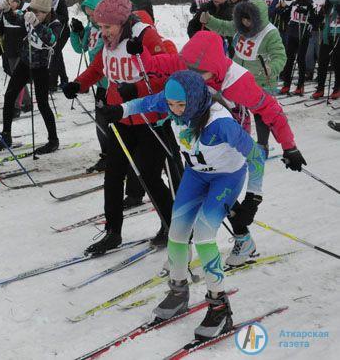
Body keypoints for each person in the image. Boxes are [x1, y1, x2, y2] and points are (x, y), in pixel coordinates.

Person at [99, 70, 265, 340]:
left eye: (181, 105)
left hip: (226, 176)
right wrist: (119, 110)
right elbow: (145, 103)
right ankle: (178, 292)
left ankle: (219, 305)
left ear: (196, 98)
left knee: (203, 235)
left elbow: (256, 155)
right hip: (197, 174)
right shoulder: (171, 103)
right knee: (176, 233)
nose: (176, 112)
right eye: (172, 105)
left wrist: (253, 198)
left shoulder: (220, 123)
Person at [134, 30, 307, 262]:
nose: (192, 77)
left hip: (230, 136)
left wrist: (289, 146)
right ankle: (238, 240)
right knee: (208, 188)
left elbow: (271, 110)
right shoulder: (189, 62)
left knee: (217, 188)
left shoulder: (239, 82)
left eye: (200, 73)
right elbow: (155, 64)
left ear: (216, 69)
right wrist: (138, 50)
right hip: (198, 132)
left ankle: (239, 240)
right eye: (189, 70)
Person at [61, 0, 172, 254]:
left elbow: (166, 73)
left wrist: (134, 90)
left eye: (107, 27)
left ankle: (172, 225)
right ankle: (113, 232)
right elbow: (99, 68)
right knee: (113, 175)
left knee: (148, 175)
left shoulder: (145, 36)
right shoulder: (109, 42)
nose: (104, 32)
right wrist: (78, 84)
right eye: (100, 26)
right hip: (119, 117)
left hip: (149, 118)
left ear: (122, 22)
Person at [200, 0, 286, 264]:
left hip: (260, 88)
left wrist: (271, 67)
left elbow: (281, 55)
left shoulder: (270, 33)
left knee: (260, 128)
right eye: (243, 20)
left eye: (249, 21)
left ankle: (260, 148)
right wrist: (209, 21)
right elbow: (225, 27)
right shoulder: (238, 30)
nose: (245, 25)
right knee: (235, 129)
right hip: (235, 88)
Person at [0, 0, 63, 155]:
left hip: (41, 67)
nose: (34, 14)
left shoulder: (55, 23)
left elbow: (52, 40)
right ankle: (6, 135)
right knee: (10, 95)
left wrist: (37, 25)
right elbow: (15, 20)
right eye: (32, 11)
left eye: (38, 13)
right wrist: (8, 11)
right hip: (25, 61)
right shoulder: (28, 15)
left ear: (46, 12)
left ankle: (53, 140)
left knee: (43, 104)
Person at [69, 0, 109, 173]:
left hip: (112, 82)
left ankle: (119, 155)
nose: (90, 17)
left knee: (113, 121)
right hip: (98, 81)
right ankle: (106, 155)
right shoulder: (91, 28)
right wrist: (76, 31)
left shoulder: (108, 27)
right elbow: (80, 48)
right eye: (88, 14)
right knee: (101, 122)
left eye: (93, 13)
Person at [280, 0, 317, 95]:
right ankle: (286, 84)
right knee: (289, 59)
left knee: (300, 60)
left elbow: (315, 20)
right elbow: (287, 17)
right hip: (292, 33)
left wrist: (308, 13)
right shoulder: (294, 3)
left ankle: (300, 86)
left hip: (303, 34)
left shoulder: (310, 4)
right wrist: (284, 10)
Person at [312, 0, 340, 100]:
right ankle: (320, 88)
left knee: (336, 62)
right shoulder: (327, 5)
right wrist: (313, 15)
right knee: (322, 61)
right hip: (326, 35)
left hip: (338, 35)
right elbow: (317, 19)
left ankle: (337, 88)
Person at [41, 0, 70, 91]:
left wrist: (53, 15)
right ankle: (64, 80)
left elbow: (65, 17)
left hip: (62, 31)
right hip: (51, 32)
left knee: (54, 55)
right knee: (57, 55)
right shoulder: (42, 0)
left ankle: (52, 83)